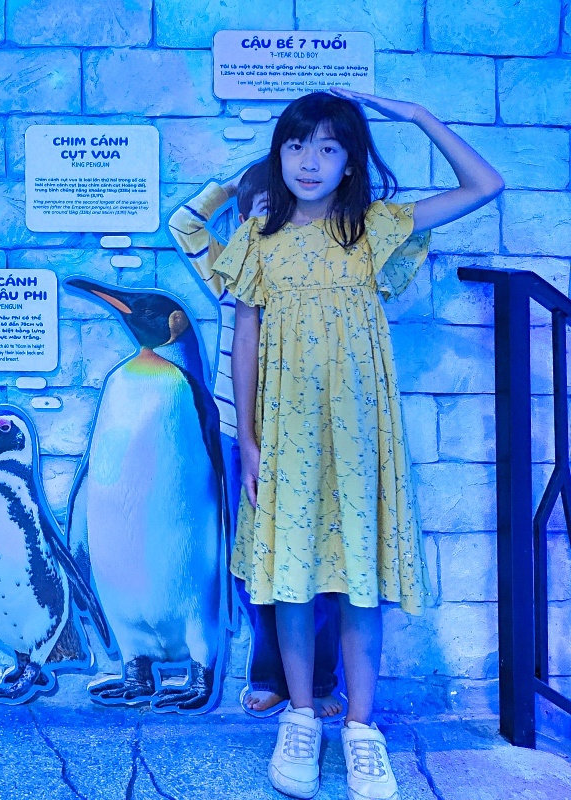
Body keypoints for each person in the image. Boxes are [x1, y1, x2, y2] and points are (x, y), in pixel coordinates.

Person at [212, 89, 503, 800]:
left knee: (356, 581)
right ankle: (303, 719)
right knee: (287, 578)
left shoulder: (374, 227)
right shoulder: (258, 235)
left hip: (358, 433)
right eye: (295, 145)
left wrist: (419, 114)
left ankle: (363, 732)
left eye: (329, 147)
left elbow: (485, 185)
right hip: (283, 431)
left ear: (350, 162)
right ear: (277, 154)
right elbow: (246, 334)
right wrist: (248, 438)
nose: (309, 162)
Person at [168, 161, 344, 720]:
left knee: (324, 563)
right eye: (261, 210)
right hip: (235, 434)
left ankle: (318, 680)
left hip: (312, 436)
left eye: (283, 208)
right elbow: (183, 224)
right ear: (242, 219)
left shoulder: (320, 266)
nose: (273, 219)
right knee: (252, 566)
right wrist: (234, 182)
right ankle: (269, 671)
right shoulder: (231, 269)